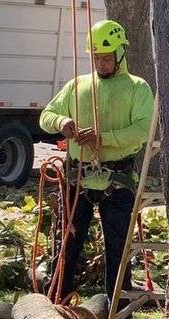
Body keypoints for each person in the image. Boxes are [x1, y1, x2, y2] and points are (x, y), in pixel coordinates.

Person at [39, 20, 155, 301]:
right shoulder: (77, 85)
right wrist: (63, 121)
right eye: (96, 58)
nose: (101, 64)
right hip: (77, 179)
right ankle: (58, 300)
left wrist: (104, 138)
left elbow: (143, 130)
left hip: (117, 181)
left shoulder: (137, 89)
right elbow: (46, 116)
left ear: (120, 55)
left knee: (118, 249)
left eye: (106, 58)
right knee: (66, 243)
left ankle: (117, 310)